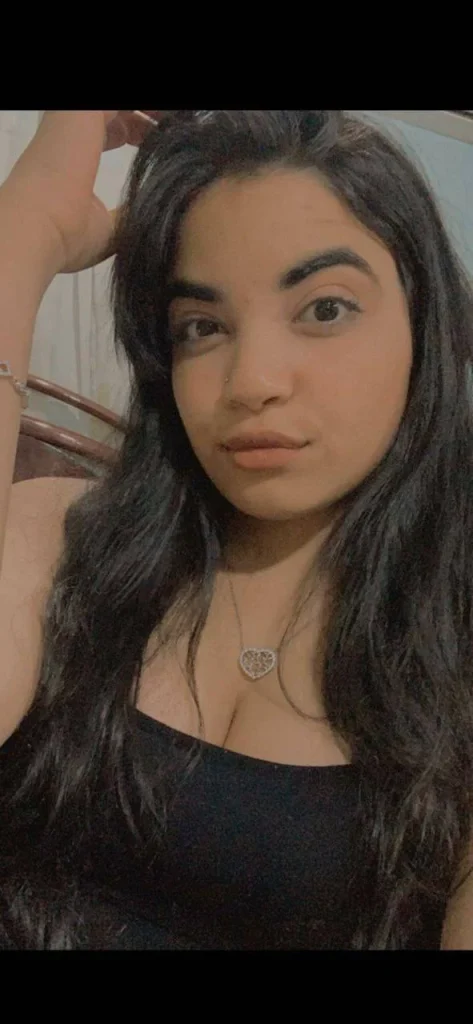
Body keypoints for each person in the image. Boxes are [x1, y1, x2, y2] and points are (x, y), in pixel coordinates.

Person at [0, 110, 472, 951]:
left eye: (324, 308)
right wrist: (26, 231)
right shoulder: (58, 538)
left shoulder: (455, 638)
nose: (251, 380)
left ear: (424, 326)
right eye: (202, 327)